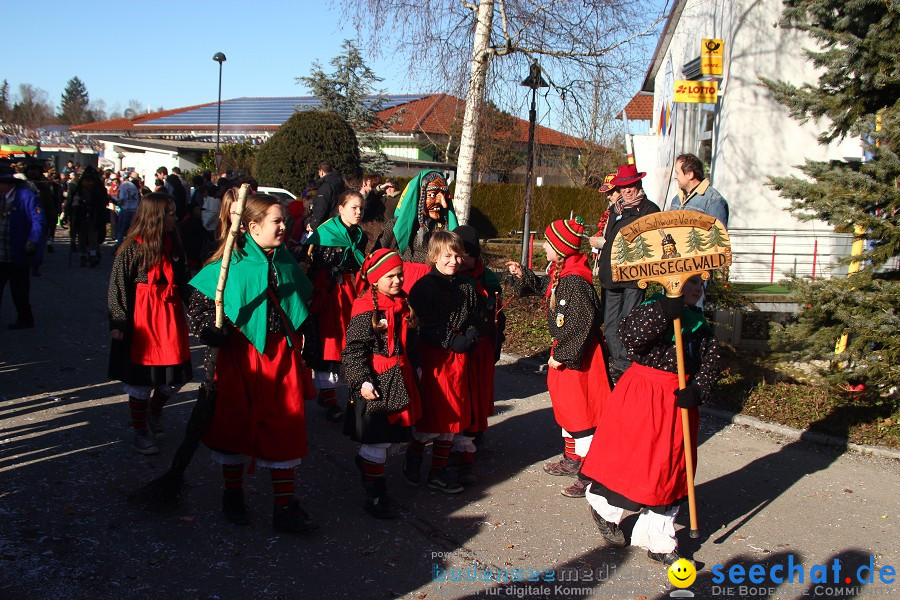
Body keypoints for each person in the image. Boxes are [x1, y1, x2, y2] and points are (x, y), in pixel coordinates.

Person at [188, 193, 318, 534]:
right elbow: (199, 308)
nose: (283, 226)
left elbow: (303, 304)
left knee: (284, 429)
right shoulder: (228, 265)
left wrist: (311, 339)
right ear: (251, 227)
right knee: (235, 426)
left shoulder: (286, 260)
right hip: (240, 358)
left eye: (283, 220)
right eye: (276, 221)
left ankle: (284, 506)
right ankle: (233, 495)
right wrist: (210, 331)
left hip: (281, 358)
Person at [581, 274, 721, 565]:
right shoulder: (651, 309)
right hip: (644, 396)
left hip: (678, 403)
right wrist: (664, 313)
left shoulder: (699, 323)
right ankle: (605, 510)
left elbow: (710, 364)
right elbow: (630, 337)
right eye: (689, 283)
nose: (695, 289)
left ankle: (660, 541)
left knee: (670, 470)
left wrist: (698, 391)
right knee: (635, 463)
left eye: (699, 284)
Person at [505, 217, 609, 498]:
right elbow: (546, 288)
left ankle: (590, 474)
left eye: (548, 244)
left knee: (583, 412)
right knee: (568, 409)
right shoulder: (563, 272)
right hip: (566, 351)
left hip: (578, 357)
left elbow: (583, 322)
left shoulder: (576, 282)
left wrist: (563, 355)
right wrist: (522, 275)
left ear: (560, 248)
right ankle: (573, 459)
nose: (545, 247)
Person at [107, 193, 193, 455]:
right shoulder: (132, 247)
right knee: (142, 379)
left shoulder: (174, 243)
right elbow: (117, 286)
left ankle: (154, 413)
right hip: (142, 319)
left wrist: (201, 310)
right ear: (155, 215)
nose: (174, 218)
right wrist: (118, 320)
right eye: (169, 213)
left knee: (173, 378)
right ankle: (140, 430)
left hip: (169, 315)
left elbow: (184, 282)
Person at [341, 249, 422, 519]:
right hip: (375, 380)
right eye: (390, 276)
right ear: (375, 279)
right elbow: (353, 350)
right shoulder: (366, 309)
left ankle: (368, 467)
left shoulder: (402, 302)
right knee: (378, 438)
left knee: (393, 438)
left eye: (400, 274)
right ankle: (376, 495)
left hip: (399, 376)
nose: (398, 280)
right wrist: (362, 380)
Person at [406, 230, 479, 494]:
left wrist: (471, 334)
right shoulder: (424, 288)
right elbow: (419, 324)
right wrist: (448, 339)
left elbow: (473, 317)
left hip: (457, 361)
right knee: (433, 417)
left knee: (452, 416)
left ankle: (438, 471)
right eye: (448, 256)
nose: (454, 261)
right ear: (435, 256)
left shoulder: (465, 287)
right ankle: (413, 458)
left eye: (458, 256)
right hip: (433, 358)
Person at [305, 190, 367, 422]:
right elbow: (309, 263)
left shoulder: (359, 234)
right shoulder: (324, 233)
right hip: (328, 293)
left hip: (350, 291)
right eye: (353, 208)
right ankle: (328, 397)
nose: (358, 212)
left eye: (361, 208)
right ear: (340, 209)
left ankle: (354, 395)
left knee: (351, 341)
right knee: (329, 342)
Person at [596, 163, 660, 384]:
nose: (627, 190)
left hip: (634, 278)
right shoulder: (616, 210)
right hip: (610, 277)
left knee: (628, 323)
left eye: (631, 185)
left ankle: (627, 368)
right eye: (623, 186)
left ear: (638, 184)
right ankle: (620, 364)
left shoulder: (651, 210)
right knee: (611, 325)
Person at [452, 225, 505, 485]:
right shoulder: (449, 277)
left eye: (465, 255)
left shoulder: (486, 278)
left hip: (480, 346)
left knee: (476, 393)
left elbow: (496, 314)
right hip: (456, 347)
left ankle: (470, 438)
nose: (459, 260)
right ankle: (455, 442)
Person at [377, 170, 458, 290]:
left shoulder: (444, 226)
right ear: (420, 195)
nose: (444, 204)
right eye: (432, 195)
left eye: (444, 195)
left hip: (440, 287)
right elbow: (379, 258)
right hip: (407, 287)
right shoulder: (398, 226)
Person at [0, 163, 45, 329]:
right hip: (1, 250)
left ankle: (25, 318)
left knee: (20, 290)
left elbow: (38, 220)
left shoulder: (26, 196)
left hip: (17, 251)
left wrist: (33, 240)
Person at [668, 153, 729, 227]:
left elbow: (717, 236)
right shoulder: (676, 199)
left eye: (677, 173)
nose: (675, 177)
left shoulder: (713, 200)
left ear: (690, 174)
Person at [65, 166, 109, 268]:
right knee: (82, 238)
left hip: (94, 217)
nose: (89, 183)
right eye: (86, 181)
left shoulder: (98, 191)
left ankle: (93, 255)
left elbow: (103, 202)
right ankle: (83, 256)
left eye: (91, 181)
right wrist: (69, 212)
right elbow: (71, 202)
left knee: (93, 237)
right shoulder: (78, 190)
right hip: (81, 217)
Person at [588, 173, 618, 277]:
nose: (608, 197)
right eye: (607, 193)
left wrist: (601, 243)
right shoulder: (610, 210)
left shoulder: (623, 212)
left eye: (611, 192)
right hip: (606, 264)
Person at [305, 162, 345, 232]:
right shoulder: (340, 183)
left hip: (326, 225)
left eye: (319, 172)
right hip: (338, 222)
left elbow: (321, 206)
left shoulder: (325, 186)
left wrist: (313, 224)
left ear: (321, 171)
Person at [115, 172, 141, 247]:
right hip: (134, 210)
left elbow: (122, 198)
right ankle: (130, 246)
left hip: (125, 209)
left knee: (121, 230)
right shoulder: (135, 187)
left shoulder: (124, 185)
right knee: (131, 230)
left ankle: (120, 246)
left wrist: (118, 203)